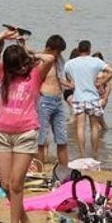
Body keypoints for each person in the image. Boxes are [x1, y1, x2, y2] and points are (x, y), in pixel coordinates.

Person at [0, 29, 55, 223]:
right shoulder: (4, 74)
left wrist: (30, 55)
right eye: (18, 66)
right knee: (5, 184)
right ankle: (25, 220)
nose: (22, 68)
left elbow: (49, 59)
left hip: (26, 133)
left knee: (16, 183)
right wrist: (3, 36)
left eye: (24, 64)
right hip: (3, 133)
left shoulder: (35, 75)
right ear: (10, 67)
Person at [63, 40, 112, 158]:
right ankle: (95, 154)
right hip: (93, 97)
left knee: (80, 127)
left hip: (78, 97)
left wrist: (73, 83)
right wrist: (102, 82)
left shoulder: (70, 63)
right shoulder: (96, 61)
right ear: (89, 50)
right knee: (94, 127)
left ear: (79, 50)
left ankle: (82, 154)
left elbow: (67, 78)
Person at [35, 34, 70, 167]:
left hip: (58, 100)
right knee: (41, 140)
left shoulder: (58, 61)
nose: (59, 54)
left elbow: (59, 77)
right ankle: (39, 171)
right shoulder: (40, 60)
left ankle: (65, 171)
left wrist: (69, 85)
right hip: (44, 99)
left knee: (62, 139)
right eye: (57, 51)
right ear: (49, 48)